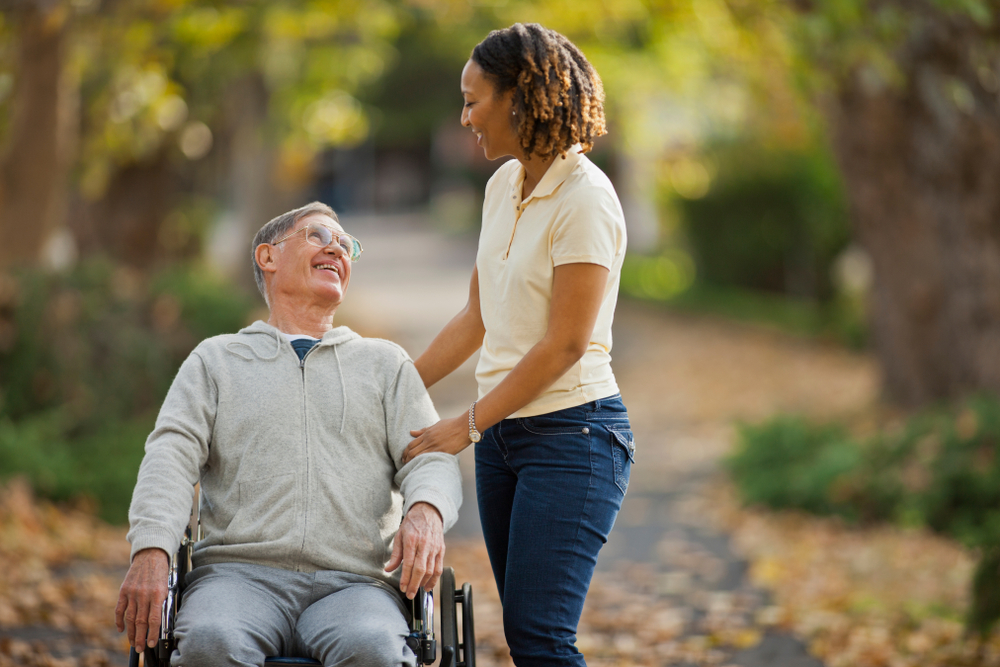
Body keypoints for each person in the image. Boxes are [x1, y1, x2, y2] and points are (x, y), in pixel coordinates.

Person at [115, 201, 463, 666]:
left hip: (357, 584)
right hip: (238, 581)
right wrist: (152, 548)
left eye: (346, 244)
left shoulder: (385, 364)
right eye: (319, 235)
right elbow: (170, 457)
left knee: (375, 649)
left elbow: (432, 455)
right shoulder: (216, 361)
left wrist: (426, 510)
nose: (336, 249)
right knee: (210, 642)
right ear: (268, 257)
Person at [401, 23, 634, 667]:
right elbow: (477, 317)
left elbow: (564, 346)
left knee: (541, 639)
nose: (465, 115)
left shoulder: (585, 199)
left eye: (475, 100)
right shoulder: (502, 187)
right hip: (507, 441)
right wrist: (394, 386)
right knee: (526, 638)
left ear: (519, 97)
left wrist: (466, 426)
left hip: (574, 439)